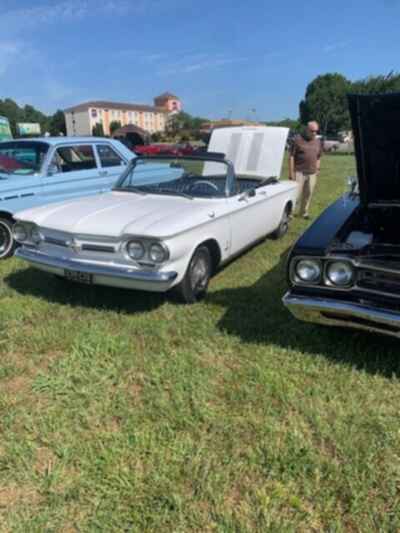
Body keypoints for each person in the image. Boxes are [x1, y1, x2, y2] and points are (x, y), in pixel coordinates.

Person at [289, 121, 322, 219]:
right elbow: (291, 156)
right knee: (296, 195)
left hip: (312, 173)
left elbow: (319, 157)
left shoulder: (318, 141)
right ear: (307, 129)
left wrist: (317, 169)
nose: (314, 133)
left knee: (308, 194)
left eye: (316, 131)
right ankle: (289, 214)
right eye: (312, 131)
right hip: (299, 172)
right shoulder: (297, 140)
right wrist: (291, 173)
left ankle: (303, 213)